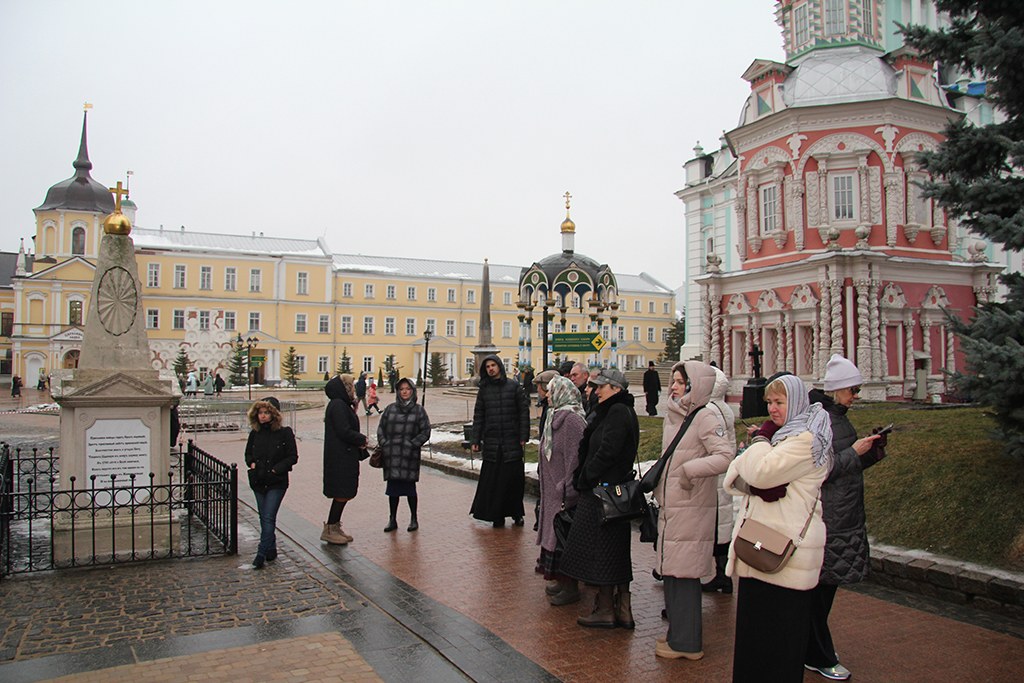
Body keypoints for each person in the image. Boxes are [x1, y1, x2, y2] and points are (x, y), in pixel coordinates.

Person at [724, 374, 834, 683]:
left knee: (779, 645)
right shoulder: (784, 436)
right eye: (770, 402)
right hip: (759, 547)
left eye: (780, 402)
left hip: (785, 557)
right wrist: (756, 481)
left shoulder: (807, 440)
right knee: (754, 642)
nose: (772, 409)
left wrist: (760, 442)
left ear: (797, 403)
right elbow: (734, 476)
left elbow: (757, 471)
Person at [805, 355, 887, 681]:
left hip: (844, 515)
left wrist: (873, 451)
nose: (856, 396)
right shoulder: (822, 421)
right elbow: (820, 470)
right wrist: (855, 452)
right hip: (830, 518)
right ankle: (819, 654)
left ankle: (813, 650)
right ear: (837, 389)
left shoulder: (838, 418)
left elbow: (846, 466)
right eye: (853, 390)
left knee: (825, 590)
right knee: (820, 592)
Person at [653, 361, 734, 659]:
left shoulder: (704, 416)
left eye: (679, 382)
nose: (673, 387)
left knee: (685, 576)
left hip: (691, 506)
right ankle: (677, 635)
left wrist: (689, 471)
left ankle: (687, 643)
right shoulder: (678, 415)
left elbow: (725, 455)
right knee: (673, 573)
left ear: (694, 385)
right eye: (673, 381)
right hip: (675, 505)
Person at [560, 367, 639, 629]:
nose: (595, 391)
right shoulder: (620, 409)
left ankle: (606, 609)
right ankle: (622, 610)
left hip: (603, 493)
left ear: (616, 389)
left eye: (601, 387)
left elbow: (608, 451)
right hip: (614, 493)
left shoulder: (616, 411)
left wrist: (586, 476)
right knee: (615, 552)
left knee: (602, 551)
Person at [535, 374, 586, 605]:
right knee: (554, 538)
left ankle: (570, 586)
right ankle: (559, 579)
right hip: (553, 491)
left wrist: (566, 487)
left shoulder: (572, 421)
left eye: (551, 390)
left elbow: (575, 459)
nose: (547, 395)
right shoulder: (554, 416)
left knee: (563, 539)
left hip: (563, 492)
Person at [469, 354, 530, 528]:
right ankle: (497, 515)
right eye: (487, 367)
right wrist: (475, 438)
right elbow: (479, 415)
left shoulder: (513, 386)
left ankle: (517, 513)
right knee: (494, 482)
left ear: (499, 366)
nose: (491, 369)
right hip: (492, 442)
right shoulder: (484, 390)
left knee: (514, 481)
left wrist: (523, 436)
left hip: (511, 440)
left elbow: (523, 412)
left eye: (493, 365)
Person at [245, 396, 298, 568]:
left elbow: (292, 456)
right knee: (264, 517)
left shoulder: (284, 433)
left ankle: (261, 553)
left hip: (276, 481)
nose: (262, 416)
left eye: (266, 413)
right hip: (259, 480)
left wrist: (276, 469)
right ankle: (271, 549)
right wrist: (252, 464)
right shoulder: (255, 433)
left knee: (268, 516)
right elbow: (248, 454)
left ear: (274, 414)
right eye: (260, 413)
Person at [702, 365, 739, 593]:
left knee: (714, 526)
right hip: (723, 475)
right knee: (721, 525)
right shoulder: (724, 407)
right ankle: (723, 574)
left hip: (711, 478)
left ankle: (721, 574)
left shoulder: (709, 410)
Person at [377, 377, 431, 532]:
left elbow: (425, 431)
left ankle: (413, 519)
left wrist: (413, 444)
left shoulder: (419, 410)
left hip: (409, 456)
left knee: (410, 490)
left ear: (412, 391)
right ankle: (392, 519)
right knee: (393, 490)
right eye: (401, 389)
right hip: (392, 455)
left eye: (407, 389)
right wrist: (384, 442)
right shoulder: (390, 409)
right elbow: (381, 428)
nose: (404, 392)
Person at [321, 374, 368, 545]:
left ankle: (334, 526)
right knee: (342, 492)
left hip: (344, 455)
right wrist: (361, 439)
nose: (354, 389)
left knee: (344, 492)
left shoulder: (341, 404)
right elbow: (343, 431)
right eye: (351, 386)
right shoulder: (338, 405)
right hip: (340, 457)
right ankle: (330, 529)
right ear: (345, 387)